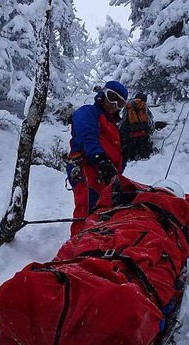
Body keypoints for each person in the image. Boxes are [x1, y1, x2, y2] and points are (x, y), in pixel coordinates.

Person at [66, 80, 128, 235]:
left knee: (105, 210)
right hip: (87, 166)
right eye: (111, 97)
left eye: (119, 103)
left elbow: (117, 153)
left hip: (107, 173)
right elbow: (87, 136)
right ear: (102, 95)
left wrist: (117, 169)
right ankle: (79, 243)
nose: (113, 104)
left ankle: (96, 243)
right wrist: (100, 158)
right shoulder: (88, 112)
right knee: (88, 206)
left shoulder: (113, 125)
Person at [119, 93, 155, 162]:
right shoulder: (144, 107)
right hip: (144, 135)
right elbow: (150, 122)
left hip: (131, 136)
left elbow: (123, 121)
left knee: (130, 154)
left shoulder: (128, 107)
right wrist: (149, 131)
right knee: (145, 155)